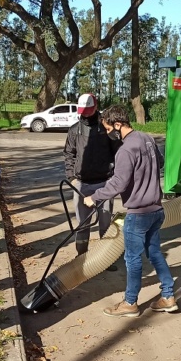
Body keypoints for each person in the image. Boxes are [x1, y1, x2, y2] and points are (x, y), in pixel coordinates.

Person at [84, 106, 176, 317]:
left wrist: (94, 198)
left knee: (132, 259)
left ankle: (130, 303)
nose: (108, 134)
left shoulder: (125, 149)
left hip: (139, 213)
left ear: (118, 125)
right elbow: (159, 163)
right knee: (154, 253)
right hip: (156, 210)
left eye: (109, 129)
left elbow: (118, 183)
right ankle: (168, 296)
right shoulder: (147, 138)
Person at [64, 92, 118, 270]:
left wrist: (115, 175)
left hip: (104, 183)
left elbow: (117, 152)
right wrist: (71, 177)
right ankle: (82, 258)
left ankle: (105, 259)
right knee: (82, 224)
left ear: (95, 108)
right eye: (83, 111)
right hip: (81, 184)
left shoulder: (106, 129)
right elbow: (69, 154)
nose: (85, 114)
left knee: (105, 223)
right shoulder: (74, 130)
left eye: (88, 110)